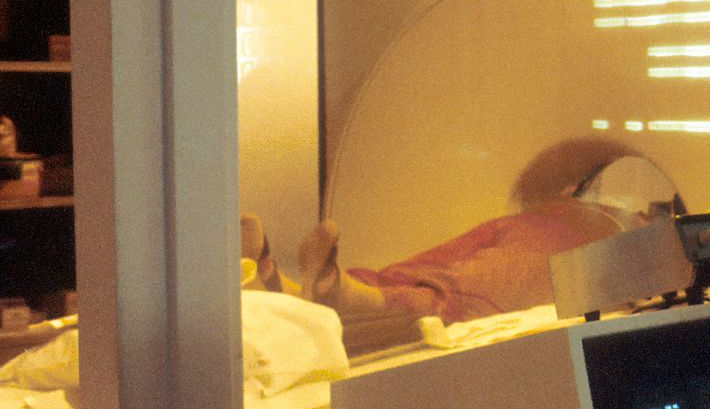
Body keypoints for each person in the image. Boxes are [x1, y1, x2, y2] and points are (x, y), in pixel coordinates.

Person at [243, 138, 684, 324]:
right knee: (442, 264)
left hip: (569, 238)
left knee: (476, 281)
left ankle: (340, 295)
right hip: (550, 222)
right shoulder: (620, 210)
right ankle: (300, 288)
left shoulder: (656, 242)